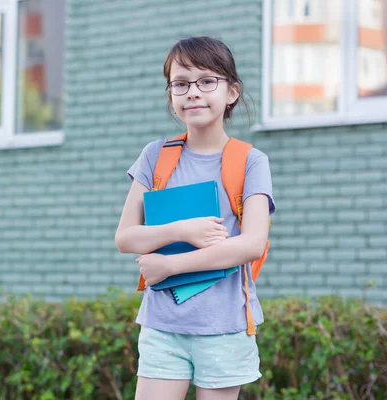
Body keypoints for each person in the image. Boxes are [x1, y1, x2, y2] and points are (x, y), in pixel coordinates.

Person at [115, 36, 276, 400]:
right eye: (181, 83)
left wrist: (171, 266)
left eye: (207, 81)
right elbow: (125, 237)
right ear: (171, 95)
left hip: (223, 328)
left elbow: (250, 245)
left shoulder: (251, 162)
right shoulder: (155, 156)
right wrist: (182, 229)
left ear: (232, 91)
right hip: (161, 327)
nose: (193, 92)